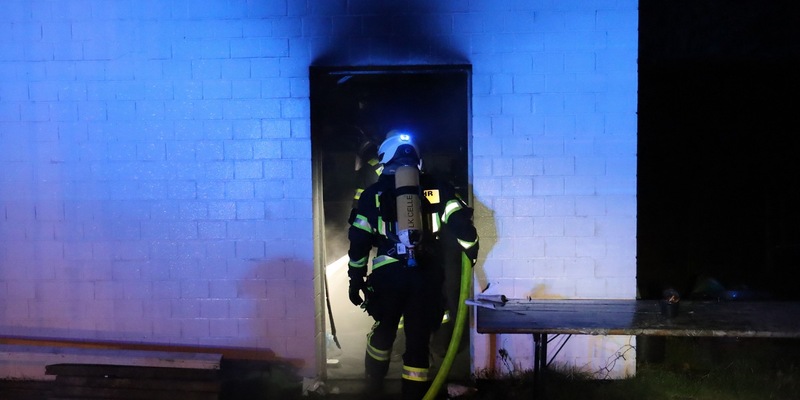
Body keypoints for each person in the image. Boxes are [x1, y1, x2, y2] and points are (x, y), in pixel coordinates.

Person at [347, 130, 479, 400]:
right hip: (426, 275)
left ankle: (373, 386)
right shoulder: (437, 188)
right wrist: (472, 253)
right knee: (418, 342)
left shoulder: (373, 193)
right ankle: (415, 395)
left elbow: (359, 240)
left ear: (385, 156)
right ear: (417, 159)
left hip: (388, 276)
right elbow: (463, 227)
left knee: (384, 330)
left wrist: (355, 278)